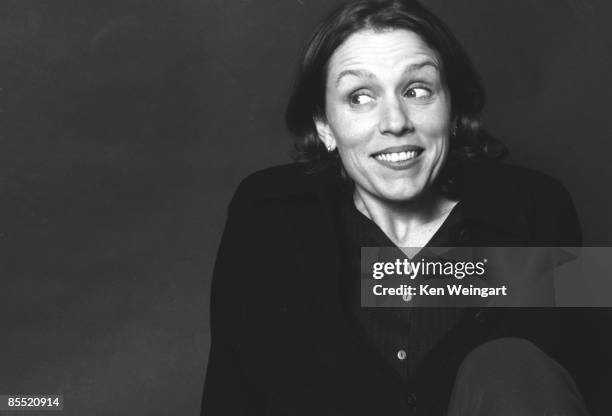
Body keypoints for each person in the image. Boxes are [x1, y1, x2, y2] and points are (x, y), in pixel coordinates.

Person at [202, 1, 597, 414]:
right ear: (324, 126)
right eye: (359, 97)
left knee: (509, 364)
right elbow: (232, 394)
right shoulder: (268, 213)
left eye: (417, 90)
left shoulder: (535, 208)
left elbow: (574, 379)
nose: (395, 121)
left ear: (453, 108)